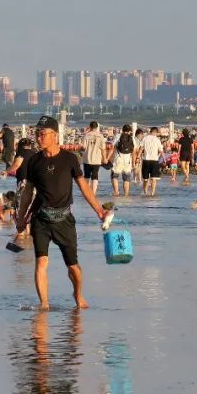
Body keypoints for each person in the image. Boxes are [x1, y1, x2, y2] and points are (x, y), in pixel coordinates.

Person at [16, 116, 106, 310]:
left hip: (64, 220)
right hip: (41, 219)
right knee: (41, 262)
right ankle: (44, 305)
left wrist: (99, 210)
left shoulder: (69, 159)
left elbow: (84, 187)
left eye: (42, 134)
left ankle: (78, 294)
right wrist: (21, 218)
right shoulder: (33, 161)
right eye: (36, 134)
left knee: (73, 267)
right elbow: (27, 193)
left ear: (55, 135)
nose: (38, 137)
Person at [110, 125, 135, 197]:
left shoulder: (118, 136)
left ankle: (116, 192)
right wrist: (133, 162)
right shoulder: (132, 138)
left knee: (114, 176)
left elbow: (112, 147)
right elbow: (134, 151)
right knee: (126, 178)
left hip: (118, 158)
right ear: (130, 131)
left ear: (122, 130)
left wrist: (108, 158)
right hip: (127, 160)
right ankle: (126, 195)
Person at [139, 127, 164, 196]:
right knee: (154, 179)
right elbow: (161, 151)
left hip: (146, 160)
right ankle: (152, 193)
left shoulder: (145, 138)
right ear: (155, 132)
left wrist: (138, 157)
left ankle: (145, 191)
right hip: (155, 160)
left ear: (150, 131)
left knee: (146, 179)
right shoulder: (157, 140)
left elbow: (141, 148)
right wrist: (164, 159)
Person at [81, 122, 106, 193]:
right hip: (97, 159)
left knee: (87, 175)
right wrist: (104, 158)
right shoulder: (100, 136)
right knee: (95, 176)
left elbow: (83, 147)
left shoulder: (86, 135)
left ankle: (86, 192)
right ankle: (93, 192)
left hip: (87, 159)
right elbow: (103, 149)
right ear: (97, 127)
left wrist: (81, 150)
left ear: (90, 127)